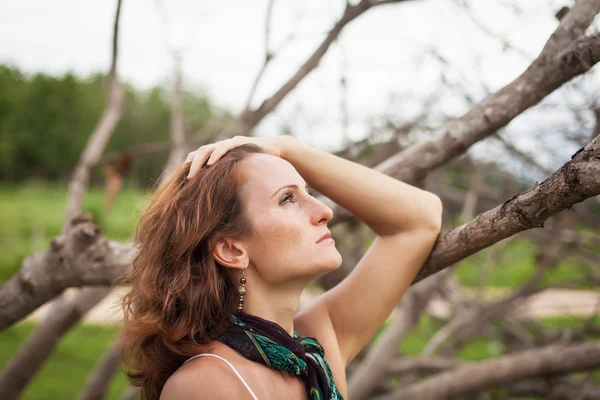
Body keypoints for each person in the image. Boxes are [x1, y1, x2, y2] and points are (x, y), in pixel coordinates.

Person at [121, 135, 443, 399]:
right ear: (232, 249)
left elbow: (420, 219)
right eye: (287, 199)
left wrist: (291, 149)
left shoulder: (317, 347)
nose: (323, 211)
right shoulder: (205, 385)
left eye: (309, 192)